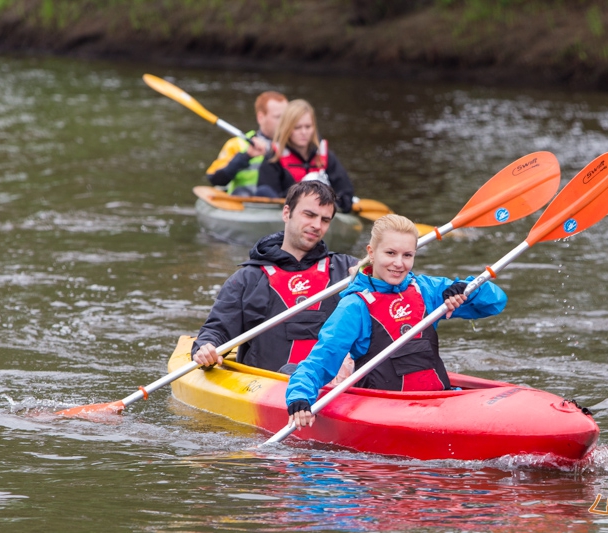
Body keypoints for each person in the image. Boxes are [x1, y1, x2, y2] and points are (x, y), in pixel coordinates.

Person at [285, 214, 507, 428]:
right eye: (390, 253)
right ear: (371, 253)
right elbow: (322, 359)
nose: (399, 263)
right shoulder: (355, 306)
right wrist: (300, 396)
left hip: (438, 403)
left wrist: (470, 290)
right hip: (383, 411)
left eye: (407, 255)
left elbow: (495, 303)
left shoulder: (427, 290)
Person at [192, 180, 359, 372]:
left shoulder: (348, 270)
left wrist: (375, 280)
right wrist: (206, 348)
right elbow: (217, 331)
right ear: (287, 213)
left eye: (325, 220)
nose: (317, 225)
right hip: (269, 386)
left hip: (333, 388)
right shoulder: (248, 279)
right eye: (309, 215)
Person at [257, 99, 355, 213]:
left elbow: (346, 192)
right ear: (287, 129)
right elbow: (269, 199)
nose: (304, 132)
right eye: (297, 127)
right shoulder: (273, 159)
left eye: (308, 127)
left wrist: (338, 203)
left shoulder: (326, 156)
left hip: (324, 211)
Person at [205, 91, 288, 197]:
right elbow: (215, 179)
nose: (284, 122)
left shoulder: (297, 145)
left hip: (281, 201)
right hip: (245, 201)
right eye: (278, 117)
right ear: (261, 118)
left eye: (287, 117)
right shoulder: (237, 144)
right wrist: (245, 156)